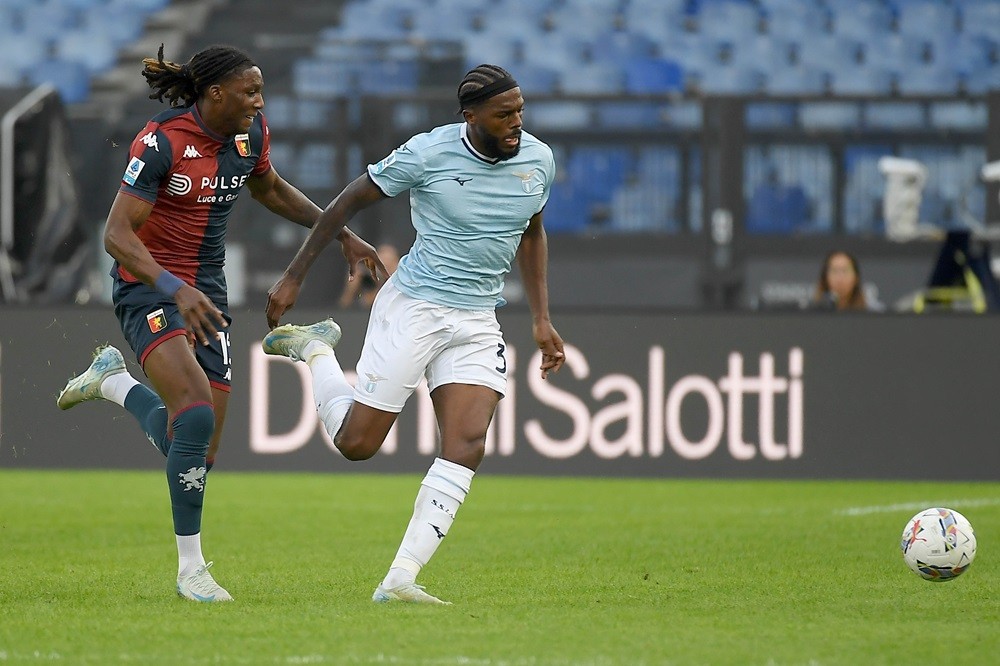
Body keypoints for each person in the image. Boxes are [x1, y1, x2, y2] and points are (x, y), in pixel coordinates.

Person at [55, 44, 385, 603]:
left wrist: (340, 232)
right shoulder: (161, 143)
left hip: (206, 293)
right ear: (215, 94)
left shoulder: (247, 137)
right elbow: (116, 236)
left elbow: (272, 189)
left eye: (261, 91)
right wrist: (172, 287)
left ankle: (112, 383)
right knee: (197, 414)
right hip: (149, 287)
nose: (260, 102)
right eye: (250, 92)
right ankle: (192, 571)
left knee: (198, 449)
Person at [261, 64, 566, 605]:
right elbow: (347, 201)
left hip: (476, 319)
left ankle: (400, 579)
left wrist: (540, 318)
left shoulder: (538, 160)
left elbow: (533, 231)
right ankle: (316, 352)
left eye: (520, 110)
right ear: (470, 117)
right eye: (504, 114)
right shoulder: (428, 153)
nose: (517, 122)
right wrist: (295, 274)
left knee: (468, 444)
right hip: (415, 308)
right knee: (357, 445)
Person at [338, 242, 400, 309]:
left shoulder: (402, 284)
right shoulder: (365, 280)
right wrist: (352, 287)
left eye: (390, 262)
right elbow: (344, 305)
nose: (386, 266)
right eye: (382, 262)